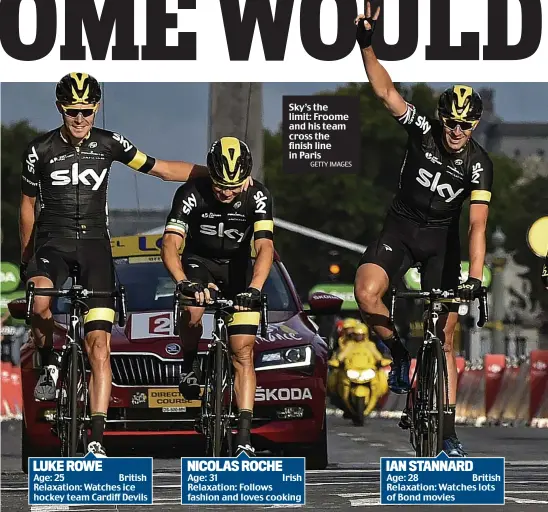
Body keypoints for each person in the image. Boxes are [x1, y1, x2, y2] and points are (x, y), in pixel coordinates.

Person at [19, 73, 248, 458]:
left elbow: (158, 168)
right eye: (73, 111)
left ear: (95, 108)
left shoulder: (109, 142)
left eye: (87, 112)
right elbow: (27, 205)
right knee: (39, 300)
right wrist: (25, 255)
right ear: (60, 108)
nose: (80, 120)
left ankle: (95, 439)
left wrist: (221, 175)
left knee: (100, 347)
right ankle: (46, 363)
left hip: (94, 246)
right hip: (52, 242)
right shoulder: (38, 149)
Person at [353, 3, 493, 457]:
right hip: (401, 225)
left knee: (446, 335)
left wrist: (474, 275)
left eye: (465, 125)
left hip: (441, 242)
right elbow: (385, 92)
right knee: (366, 291)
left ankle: (449, 434)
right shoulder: (424, 131)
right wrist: (366, 45)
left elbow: (476, 223)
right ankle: (398, 352)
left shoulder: (479, 165)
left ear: (475, 125)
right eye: (451, 122)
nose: (456, 131)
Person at [161, 136, 275, 457]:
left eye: (233, 186)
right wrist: (183, 281)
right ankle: (188, 363)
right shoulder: (191, 193)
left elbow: (265, 247)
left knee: (243, 353)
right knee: (193, 307)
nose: (225, 192)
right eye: (219, 185)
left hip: (238, 269)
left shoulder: (258, 196)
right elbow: (170, 244)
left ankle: (243, 437)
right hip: (199, 263)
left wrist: (255, 288)